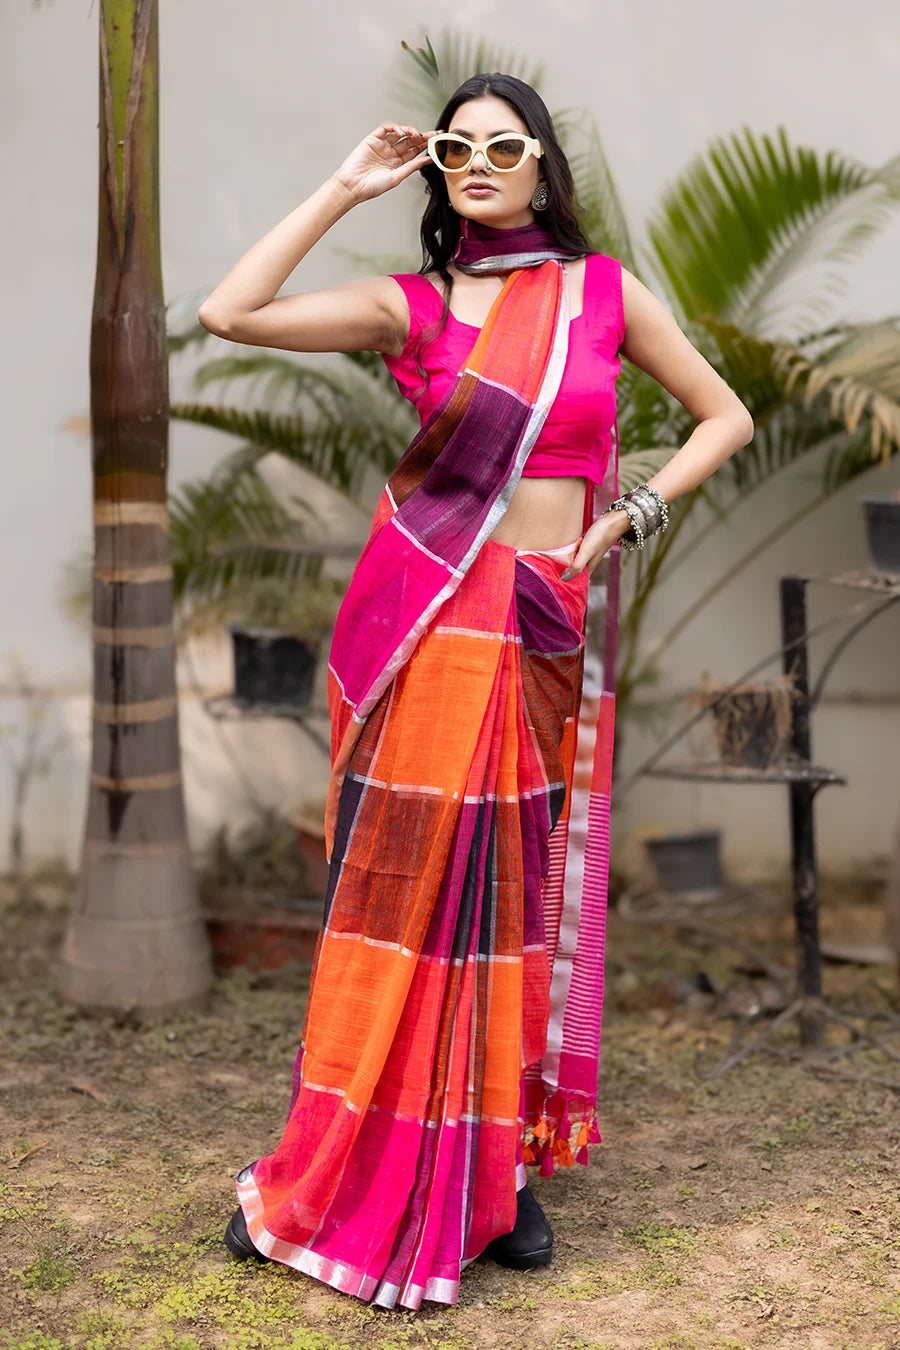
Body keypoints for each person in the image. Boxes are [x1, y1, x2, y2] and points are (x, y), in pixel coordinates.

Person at [198, 72, 753, 1311]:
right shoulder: (412, 307)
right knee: (398, 896)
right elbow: (230, 312)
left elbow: (725, 416)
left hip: (540, 617)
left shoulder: (602, 294)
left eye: (509, 147)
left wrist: (626, 519)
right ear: (438, 172)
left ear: (544, 166)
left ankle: (494, 1170)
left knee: (510, 895)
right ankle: (337, 1163)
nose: (484, 165)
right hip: (428, 622)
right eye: (460, 150)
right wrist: (347, 188)